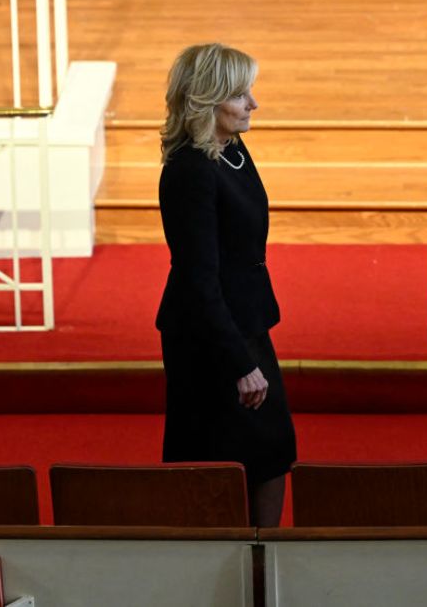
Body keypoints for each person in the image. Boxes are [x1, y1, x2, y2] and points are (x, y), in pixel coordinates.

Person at [155, 42, 297, 527]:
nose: (253, 103)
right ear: (205, 101)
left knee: (273, 450)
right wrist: (240, 363)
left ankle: (262, 559)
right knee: (214, 458)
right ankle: (219, 568)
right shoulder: (189, 172)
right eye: (240, 95)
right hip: (208, 337)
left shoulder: (231, 148)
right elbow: (198, 278)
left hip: (246, 322)